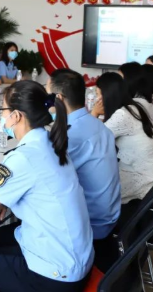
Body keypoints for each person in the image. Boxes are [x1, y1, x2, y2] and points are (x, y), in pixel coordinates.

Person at [0, 81, 93, 292]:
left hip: (57, 276)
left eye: (3, 110)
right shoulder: (51, 142)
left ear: (16, 116)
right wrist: (2, 199)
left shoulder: (23, 157)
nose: (2, 117)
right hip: (76, 258)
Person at [47, 69, 121, 271]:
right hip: (109, 214)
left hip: (91, 224)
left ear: (59, 99)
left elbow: (48, 181)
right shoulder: (97, 125)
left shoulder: (72, 135)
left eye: (48, 97)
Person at [91, 73, 153, 205]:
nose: (97, 100)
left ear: (109, 95)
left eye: (99, 95)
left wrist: (94, 113)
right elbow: (106, 129)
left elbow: (94, 140)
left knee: (91, 190)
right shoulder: (134, 106)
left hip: (143, 180)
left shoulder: (122, 115)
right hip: (151, 174)